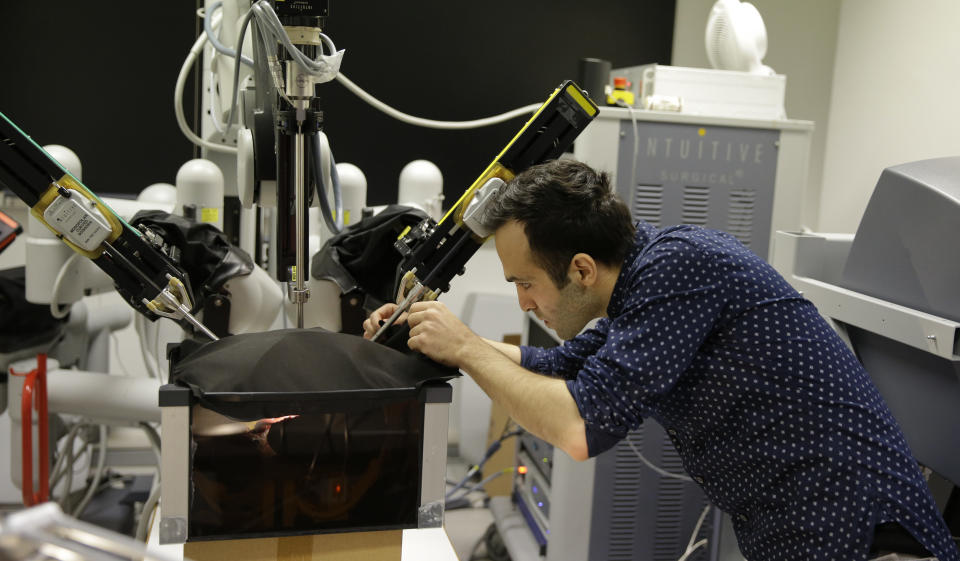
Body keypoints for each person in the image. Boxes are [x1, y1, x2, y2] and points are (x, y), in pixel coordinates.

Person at [362, 159, 959, 561]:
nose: (522, 303)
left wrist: (466, 347)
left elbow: (577, 426)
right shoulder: (641, 287)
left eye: (524, 283)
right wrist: (433, 334)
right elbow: (561, 367)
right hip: (796, 535)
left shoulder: (680, 267)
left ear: (581, 270)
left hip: (867, 536)